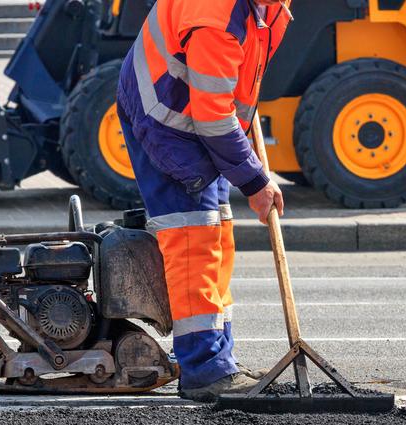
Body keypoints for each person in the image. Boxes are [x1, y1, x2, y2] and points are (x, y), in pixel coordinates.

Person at [117, 0, 292, 401]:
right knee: (194, 240)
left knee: (217, 235)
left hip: (192, 112)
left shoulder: (265, 5)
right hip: (167, 120)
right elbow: (212, 117)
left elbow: (232, 81)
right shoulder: (217, 18)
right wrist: (255, 181)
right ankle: (204, 370)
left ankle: (219, 358)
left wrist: (246, 145)